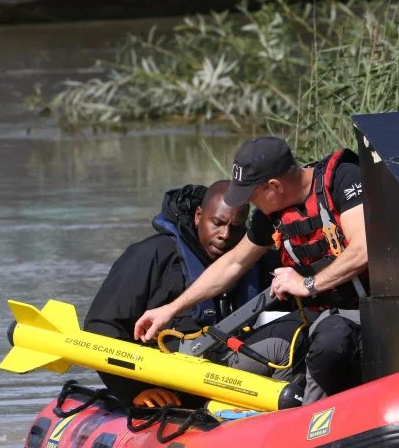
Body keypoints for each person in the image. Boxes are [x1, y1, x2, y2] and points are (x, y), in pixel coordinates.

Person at [134, 137, 369, 404]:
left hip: (366, 311)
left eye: (251, 195)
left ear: (274, 186)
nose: (250, 205)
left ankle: (313, 424)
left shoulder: (344, 179)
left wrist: (307, 284)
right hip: (318, 315)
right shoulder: (272, 213)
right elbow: (233, 264)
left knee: (329, 346)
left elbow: (364, 248)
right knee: (239, 361)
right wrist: (170, 310)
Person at [85, 179, 302, 407]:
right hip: (164, 382)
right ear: (199, 216)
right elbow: (101, 329)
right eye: (217, 223)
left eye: (236, 228)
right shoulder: (151, 255)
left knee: (297, 336)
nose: (225, 235)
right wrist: (134, 391)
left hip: (224, 373)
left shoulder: (255, 261)